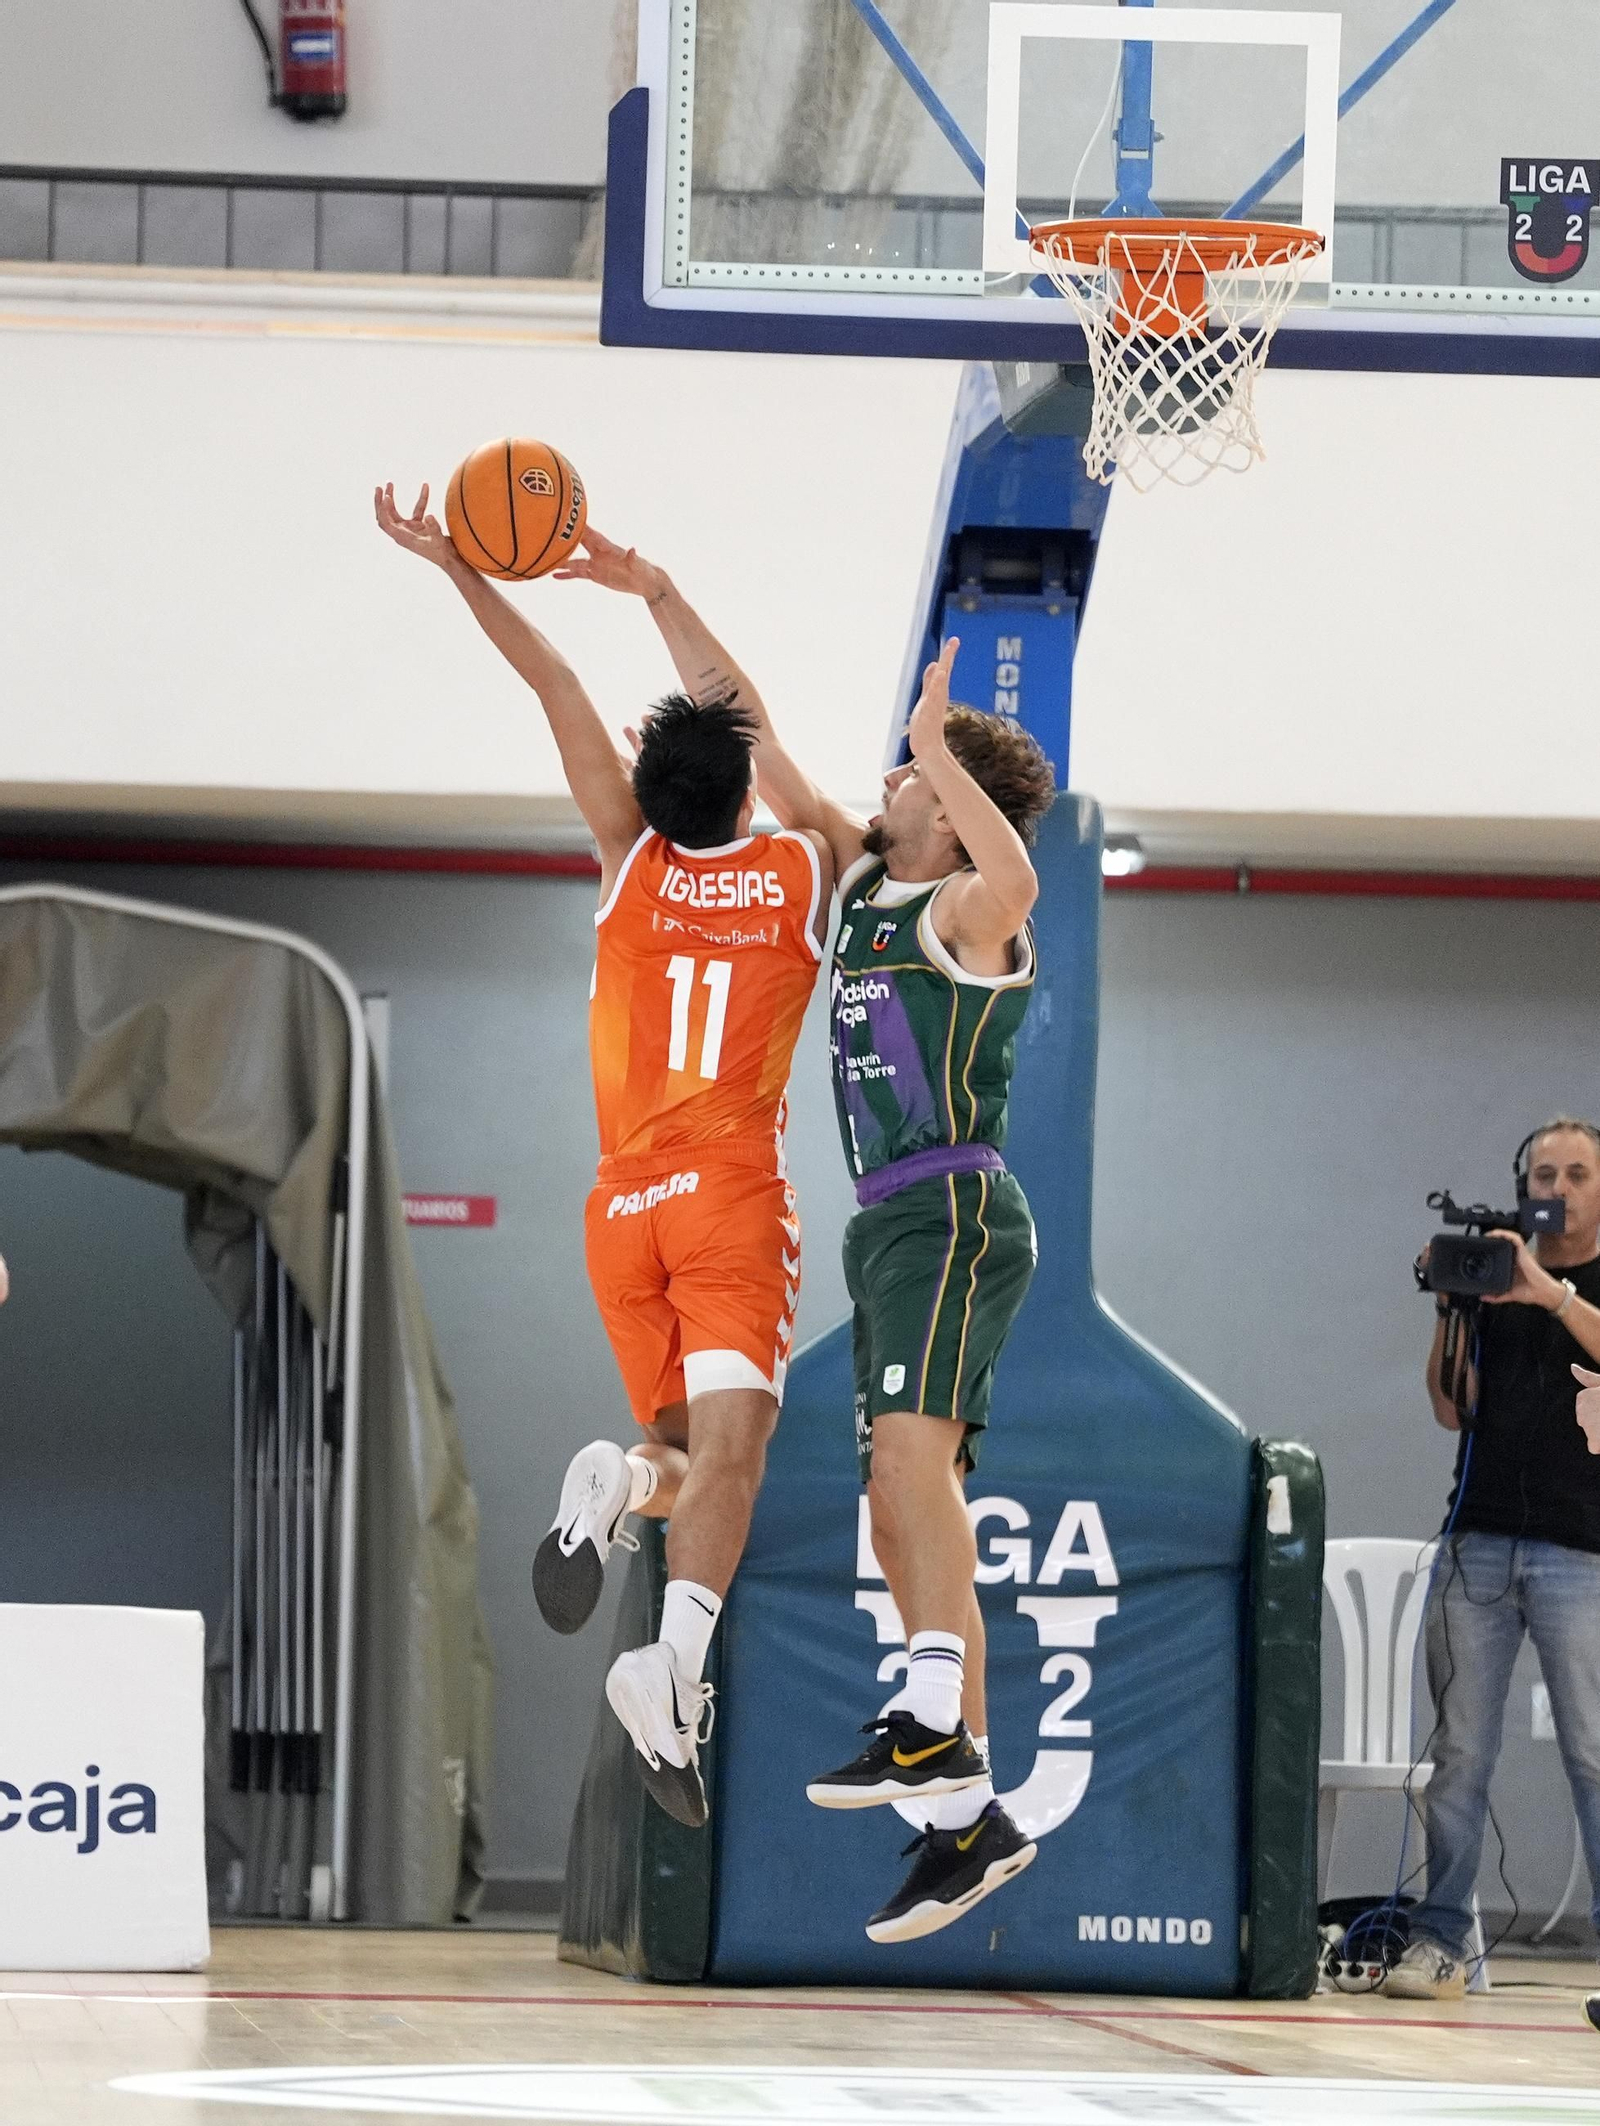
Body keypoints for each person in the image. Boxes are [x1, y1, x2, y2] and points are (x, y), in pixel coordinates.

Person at [555, 528, 1055, 1943]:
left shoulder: (966, 902)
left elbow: (1022, 879)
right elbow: (749, 721)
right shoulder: (851, 874)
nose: (889, 778)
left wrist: (940, 745)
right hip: (888, 1226)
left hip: (954, 1204)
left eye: (913, 776)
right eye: (902, 767)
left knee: (909, 1465)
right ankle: (964, 1818)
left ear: (949, 809)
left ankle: (930, 1723)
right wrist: (655, 593)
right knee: (898, 1502)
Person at [375, 486, 831, 1830]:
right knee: (744, 1458)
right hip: (732, 1198)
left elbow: (553, 682)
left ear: (644, 783)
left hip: (620, 1207)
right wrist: (655, 587)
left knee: (684, 1453)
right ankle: (671, 1661)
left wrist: (459, 564)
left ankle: (618, 1483)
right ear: (747, 786)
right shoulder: (806, 869)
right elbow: (748, 720)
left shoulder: (626, 860)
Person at [1392, 1117, 1600, 2000]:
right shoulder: (1497, 1272)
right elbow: (1452, 1411)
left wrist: (1549, 1294)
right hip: (1477, 1540)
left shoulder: (1549, 1284)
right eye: (1545, 1173)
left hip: (1583, 1550)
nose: (1559, 1188)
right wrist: (1455, 1307)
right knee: (1460, 1754)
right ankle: (1442, 1940)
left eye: (1579, 1174)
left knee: (1594, 1756)